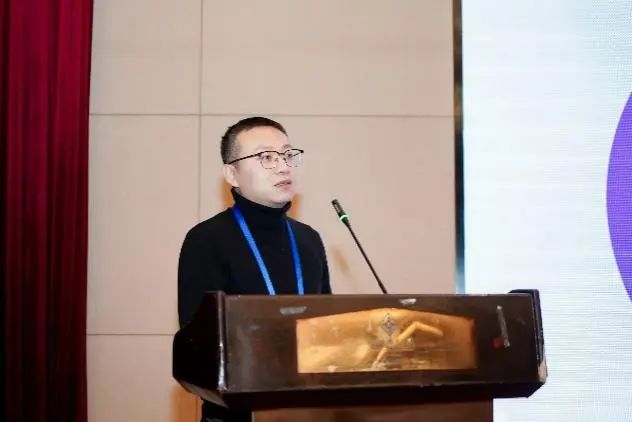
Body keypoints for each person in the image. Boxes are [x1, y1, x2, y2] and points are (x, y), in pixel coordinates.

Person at [177, 116, 332, 421]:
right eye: (266, 157)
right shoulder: (206, 239)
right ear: (232, 174)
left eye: (287, 155)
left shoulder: (308, 239)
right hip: (235, 414)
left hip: (308, 410)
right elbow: (199, 347)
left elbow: (327, 328)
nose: (283, 166)